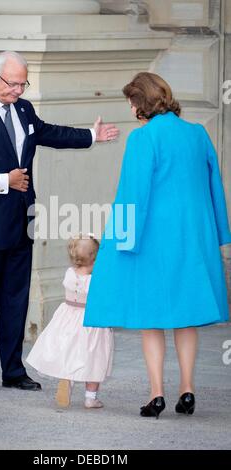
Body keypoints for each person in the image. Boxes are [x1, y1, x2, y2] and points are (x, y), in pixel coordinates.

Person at [0, 51, 119, 391]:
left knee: (15, 299)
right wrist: (4, 180)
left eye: (23, 83)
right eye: (13, 83)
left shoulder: (24, 109)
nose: (19, 90)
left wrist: (90, 136)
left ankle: (13, 371)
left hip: (20, 223)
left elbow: (47, 132)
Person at [84, 72, 231, 418]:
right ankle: (188, 388)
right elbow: (215, 185)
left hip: (153, 239)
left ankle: (156, 394)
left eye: (130, 102)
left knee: (152, 318)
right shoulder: (197, 134)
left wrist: (118, 241)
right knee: (185, 317)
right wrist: (219, 233)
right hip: (193, 237)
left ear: (139, 104)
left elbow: (132, 195)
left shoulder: (143, 138)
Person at [26, 234, 114, 409]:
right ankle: (90, 398)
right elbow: (104, 300)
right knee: (94, 358)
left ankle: (68, 378)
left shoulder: (69, 274)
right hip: (91, 322)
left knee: (69, 351)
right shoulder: (95, 280)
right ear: (94, 259)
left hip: (67, 318)